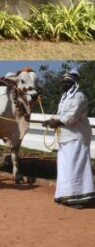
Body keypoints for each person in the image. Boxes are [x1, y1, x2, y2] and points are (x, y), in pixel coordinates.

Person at [43, 70, 94, 208]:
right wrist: (51, 121)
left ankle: (79, 198)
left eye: (67, 82)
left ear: (73, 83)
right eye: (63, 82)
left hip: (77, 137)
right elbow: (61, 116)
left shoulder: (79, 97)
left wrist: (57, 122)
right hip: (65, 137)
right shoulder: (64, 97)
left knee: (76, 167)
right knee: (65, 167)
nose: (64, 84)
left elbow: (72, 116)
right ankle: (66, 195)